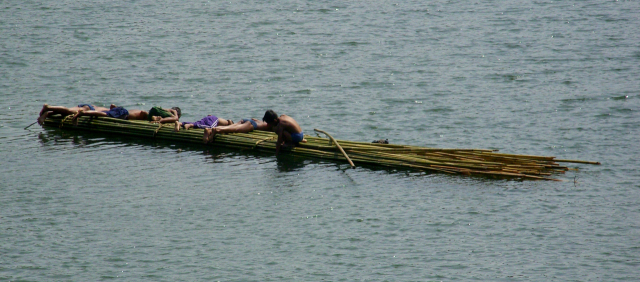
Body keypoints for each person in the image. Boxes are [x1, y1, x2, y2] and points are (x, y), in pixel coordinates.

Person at [202, 118, 269, 143]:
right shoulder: (272, 125)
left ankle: (209, 130)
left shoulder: (263, 122)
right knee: (234, 129)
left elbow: (253, 119)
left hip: (246, 120)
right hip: (252, 125)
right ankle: (216, 130)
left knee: (231, 126)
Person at [70, 105, 149, 125]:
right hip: (123, 114)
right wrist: (154, 119)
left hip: (122, 110)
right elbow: (144, 113)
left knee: (106, 113)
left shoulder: (136, 111)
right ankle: (83, 113)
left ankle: (84, 112)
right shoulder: (147, 115)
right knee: (104, 115)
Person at [37, 103, 110, 125]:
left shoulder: (113, 109)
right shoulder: (115, 113)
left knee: (65, 113)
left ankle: (48, 113)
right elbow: (99, 113)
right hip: (89, 109)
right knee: (68, 111)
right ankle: (49, 107)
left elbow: (112, 105)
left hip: (89, 106)